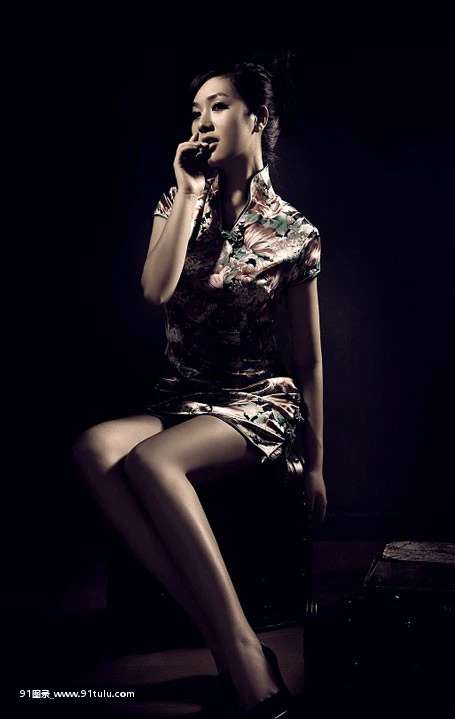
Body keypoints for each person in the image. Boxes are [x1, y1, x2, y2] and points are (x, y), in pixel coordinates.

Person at [72, 55, 326, 718]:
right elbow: (155, 291)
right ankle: (228, 638)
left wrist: (316, 463)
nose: (202, 122)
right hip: (181, 396)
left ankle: (241, 652)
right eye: (195, 111)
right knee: (95, 448)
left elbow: (309, 359)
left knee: (153, 461)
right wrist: (186, 193)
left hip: (256, 402)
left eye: (218, 106)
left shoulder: (295, 234)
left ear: (257, 118)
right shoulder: (177, 202)